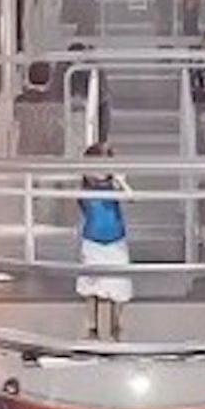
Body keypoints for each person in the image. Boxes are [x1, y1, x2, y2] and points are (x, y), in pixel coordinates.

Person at [76, 142, 133, 339]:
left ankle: (117, 325)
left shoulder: (114, 186)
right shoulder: (85, 188)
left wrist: (121, 182)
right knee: (91, 286)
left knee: (119, 285)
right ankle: (92, 326)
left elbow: (131, 198)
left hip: (116, 241)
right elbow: (83, 205)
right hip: (93, 242)